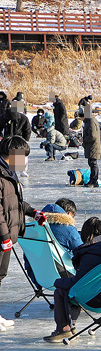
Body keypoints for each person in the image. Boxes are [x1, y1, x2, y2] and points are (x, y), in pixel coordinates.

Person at [45, 217, 101, 343]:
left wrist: (57, 282)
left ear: (87, 236)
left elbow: (79, 284)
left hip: (96, 299)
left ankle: (64, 329)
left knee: (62, 291)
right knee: (74, 289)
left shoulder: (90, 255)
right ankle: (72, 327)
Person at [0, 135, 44, 330]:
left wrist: (33, 212)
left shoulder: (10, 172)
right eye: (23, 156)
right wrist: (4, 237)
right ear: (13, 154)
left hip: (8, 236)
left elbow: (15, 203)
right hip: (3, 237)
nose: (25, 161)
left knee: (0, 275)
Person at [82, 106, 101, 188]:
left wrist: (85, 140)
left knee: (93, 164)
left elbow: (92, 136)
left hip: (93, 146)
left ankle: (94, 181)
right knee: (92, 163)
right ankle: (92, 180)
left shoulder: (91, 122)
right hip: (92, 146)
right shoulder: (91, 121)